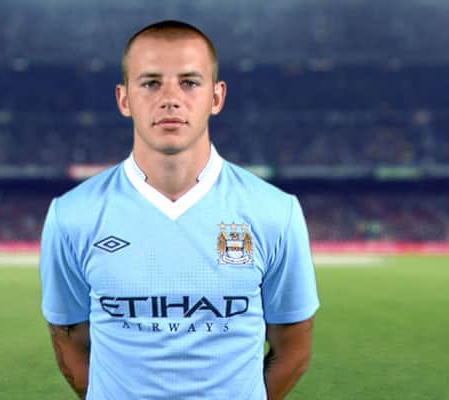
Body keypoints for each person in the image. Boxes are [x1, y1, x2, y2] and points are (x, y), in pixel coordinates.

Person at [39, 20, 319, 400]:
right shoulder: (72, 215)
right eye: (150, 83)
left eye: (189, 82)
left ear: (217, 97)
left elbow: (293, 349)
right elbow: (69, 343)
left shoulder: (275, 212)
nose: (170, 98)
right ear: (124, 99)